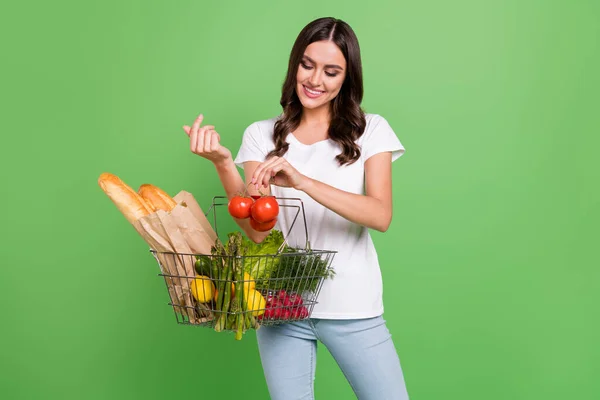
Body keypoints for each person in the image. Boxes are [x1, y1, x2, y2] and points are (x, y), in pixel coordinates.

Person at [183, 17, 409, 400]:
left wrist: (302, 180)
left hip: (351, 305)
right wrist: (223, 163)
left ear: (346, 79)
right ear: (294, 64)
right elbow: (260, 233)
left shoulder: (371, 130)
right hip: (281, 305)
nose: (315, 80)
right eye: (308, 65)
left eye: (331, 71)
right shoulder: (261, 135)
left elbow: (380, 215)